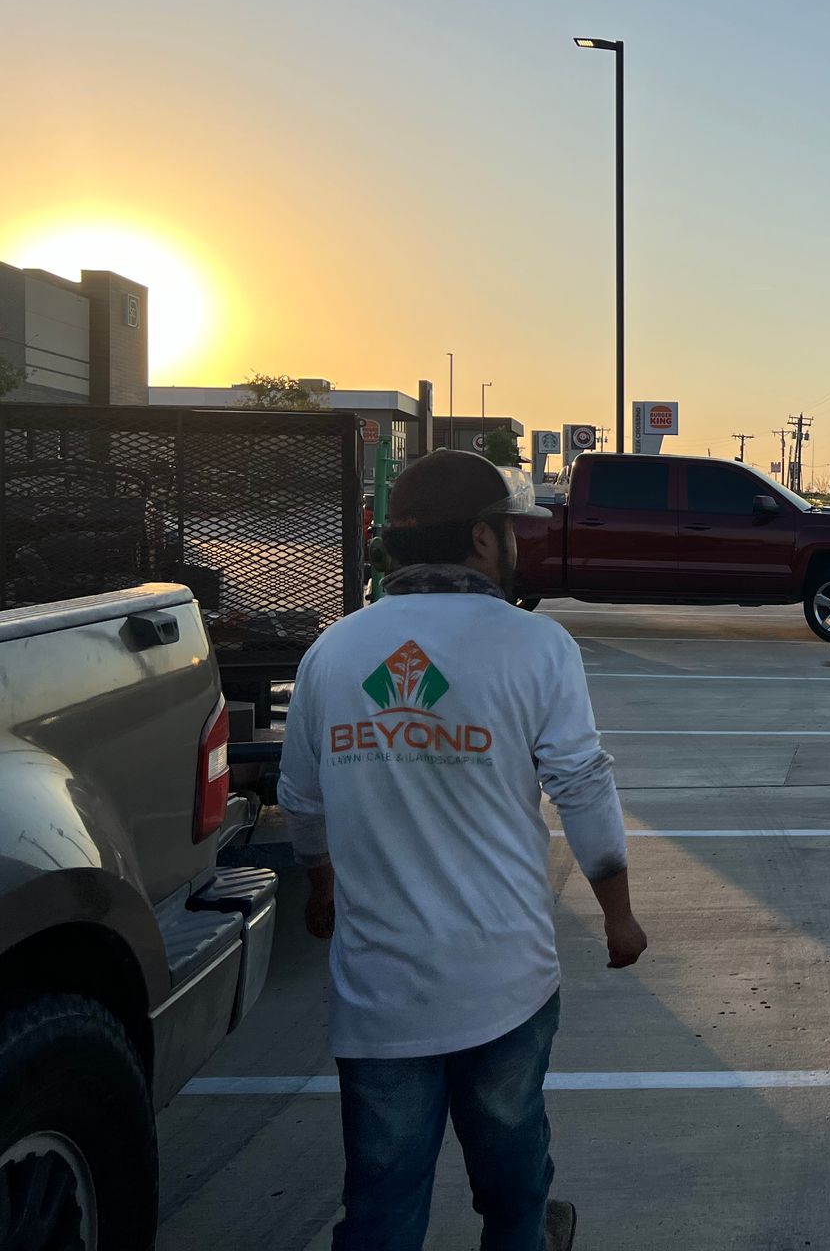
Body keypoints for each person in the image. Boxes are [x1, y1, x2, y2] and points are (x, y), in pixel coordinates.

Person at [279, 449, 647, 1251]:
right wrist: (618, 916)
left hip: (378, 996)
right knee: (514, 1189)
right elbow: (581, 786)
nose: (520, 546)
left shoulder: (333, 653)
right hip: (502, 983)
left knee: (381, 1204)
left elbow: (303, 802)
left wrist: (321, 883)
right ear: (483, 540)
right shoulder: (535, 647)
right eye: (513, 532)